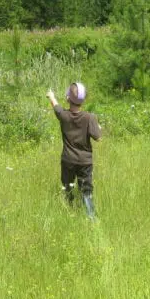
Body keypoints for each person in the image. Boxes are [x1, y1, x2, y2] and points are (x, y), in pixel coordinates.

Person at [46, 82, 102, 219]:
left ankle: (69, 213)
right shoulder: (90, 118)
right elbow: (98, 138)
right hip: (85, 162)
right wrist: (97, 126)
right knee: (86, 191)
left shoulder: (63, 116)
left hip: (68, 160)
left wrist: (51, 96)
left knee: (67, 188)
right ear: (84, 100)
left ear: (67, 98)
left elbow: (56, 107)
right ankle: (91, 219)